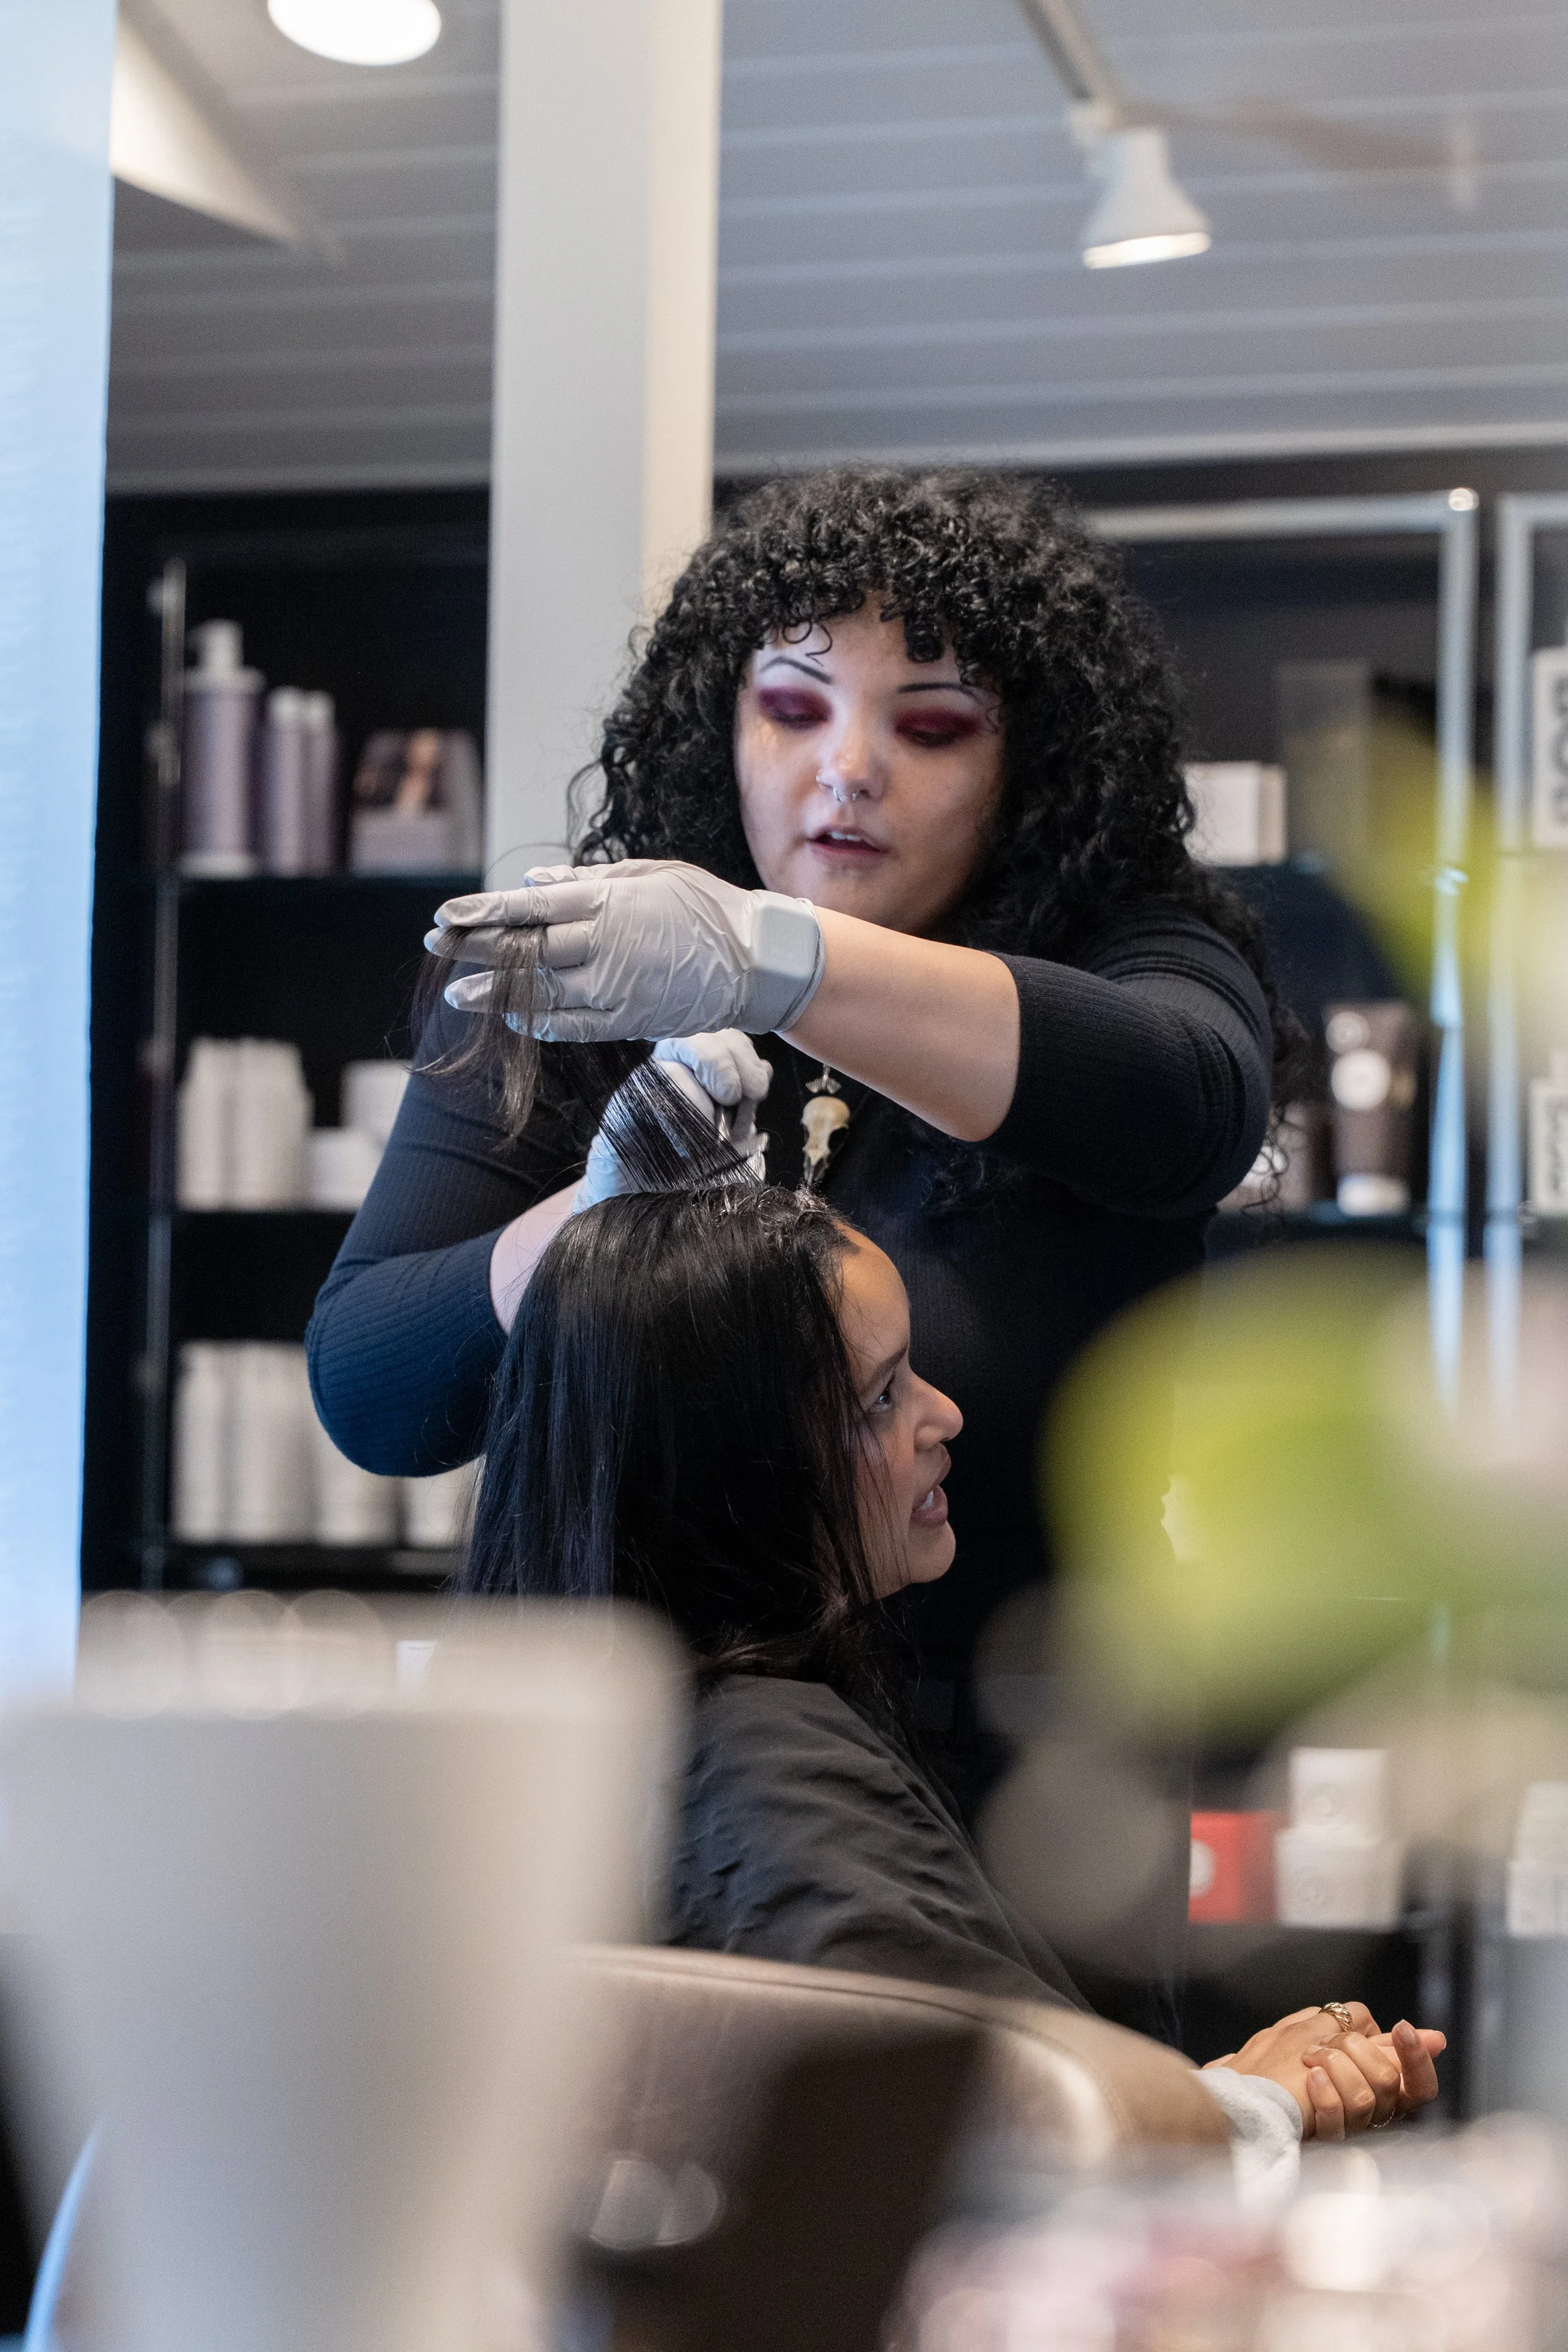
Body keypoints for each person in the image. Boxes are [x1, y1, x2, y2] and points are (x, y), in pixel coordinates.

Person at [308, 469, 1295, 2032]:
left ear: (1027, 758)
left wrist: (767, 958)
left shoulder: (1136, 959)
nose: (847, 772)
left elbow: (1184, 1110)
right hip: (628, 1798)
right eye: (791, 705)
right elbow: (377, 1384)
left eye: (931, 725)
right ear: (721, 721)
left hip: (1019, 1795)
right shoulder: (585, 970)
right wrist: (594, 1212)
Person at [463, 1169, 1443, 2172]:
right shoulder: (772, 1775)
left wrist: (1226, 2097)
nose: (945, 1415)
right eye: (882, 1396)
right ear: (739, 1462)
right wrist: (1252, 2108)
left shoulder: (667, 1734)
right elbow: (964, 2142)